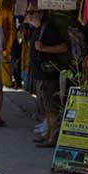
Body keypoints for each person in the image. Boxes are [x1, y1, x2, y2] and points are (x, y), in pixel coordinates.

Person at [30, 9, 68, 148]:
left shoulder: (48, 29)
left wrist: (44, 48)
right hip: (40, 75)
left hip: (48, 76)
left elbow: (63, 47)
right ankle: (48, 135)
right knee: (47, 107)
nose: (29, 15)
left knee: (52, 107)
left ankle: (53, 137)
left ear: (40, 14)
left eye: (32, 12)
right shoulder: (39, 28)